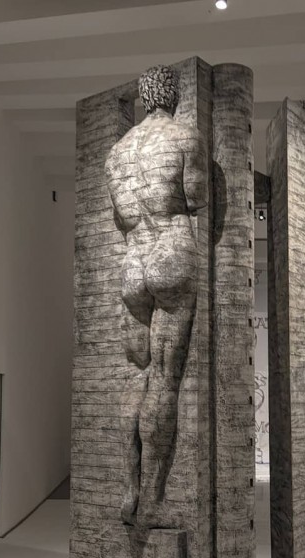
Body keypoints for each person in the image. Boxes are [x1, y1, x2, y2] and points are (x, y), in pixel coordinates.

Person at [105, 65, 208, 526]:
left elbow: (120, 216)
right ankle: (152, 501)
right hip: (170, 253)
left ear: (144, 97)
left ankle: (128, 489)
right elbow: (196, 196)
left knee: (137, 375)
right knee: (165, 381)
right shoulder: (184, 137)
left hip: (133, 263)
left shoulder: (116, 154)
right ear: (173, 95)